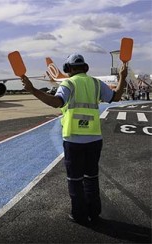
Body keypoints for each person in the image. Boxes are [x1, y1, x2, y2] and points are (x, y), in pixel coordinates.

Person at [21, 53, 128, 225]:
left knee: (75, 180)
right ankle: (94, 213)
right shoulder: (95, 83)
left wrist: (33, 90)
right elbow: (116, 97)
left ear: (68, 69)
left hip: (74, 140)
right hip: (94, 138)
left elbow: (57, 102)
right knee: (92, 178)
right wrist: (122, 77)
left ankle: (79, 215)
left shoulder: (68, 83)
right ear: (85, 67)